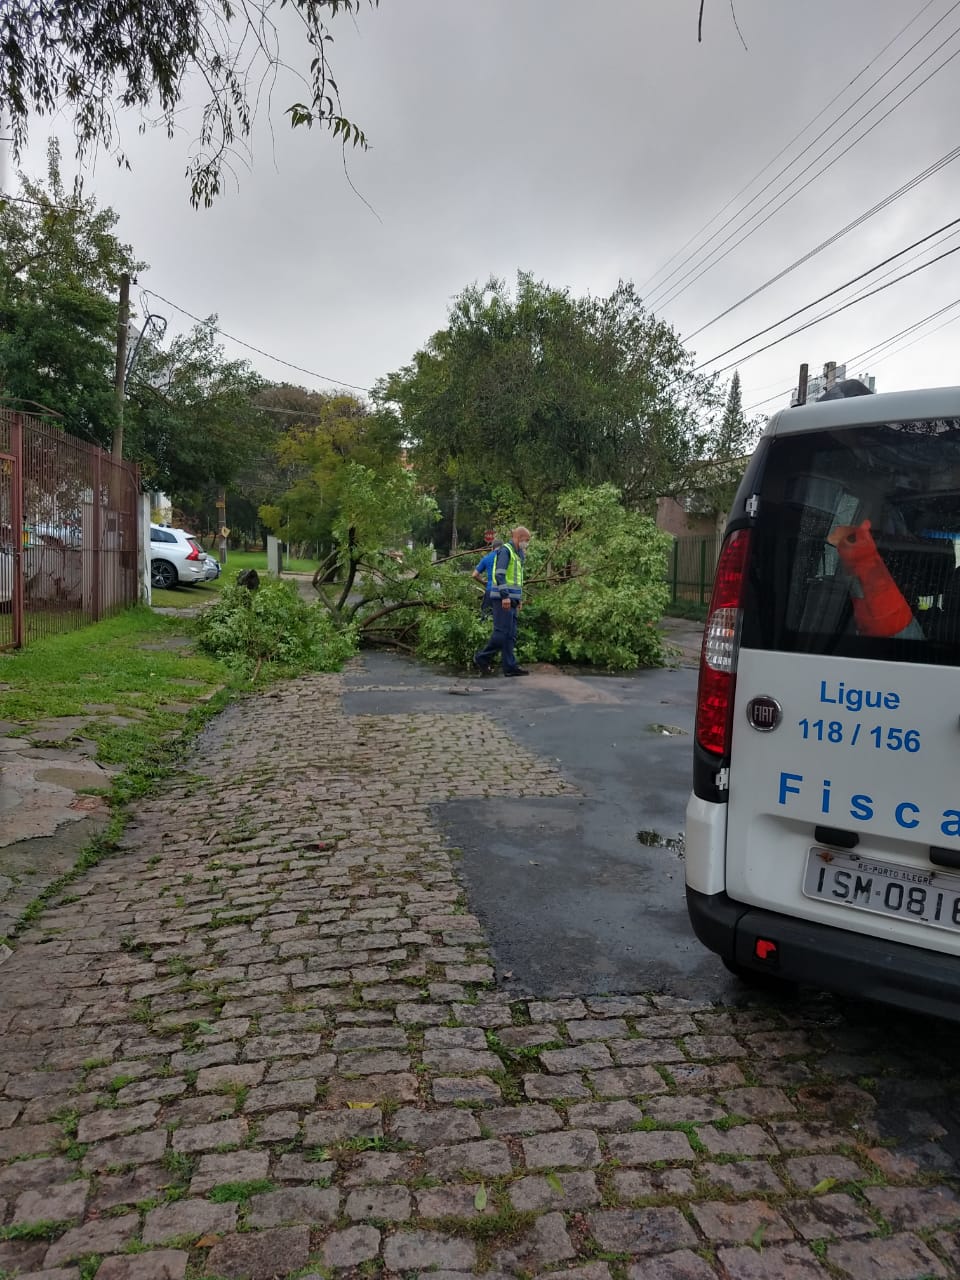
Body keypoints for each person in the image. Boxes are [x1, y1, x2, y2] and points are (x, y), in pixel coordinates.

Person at [473, 526, 531, 676]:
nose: (527, 543)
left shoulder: (518, 554)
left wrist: (518, 600)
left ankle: (510, 667)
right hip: (502, 599)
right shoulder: (506, 551)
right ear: (518, 537)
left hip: (512, 599)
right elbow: (500, 575)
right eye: (527, 540)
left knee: (510, 635)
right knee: (501, 633)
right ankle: (482, 657)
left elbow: (517, 580)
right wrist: (505, 596)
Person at [471, 537, 502, 618]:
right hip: (504, 590)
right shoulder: (506, 557)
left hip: (490, 589)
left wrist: (483, 582)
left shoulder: (487, 558)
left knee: (486, 616)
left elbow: (474, 575)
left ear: (492, 548)